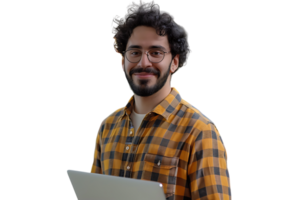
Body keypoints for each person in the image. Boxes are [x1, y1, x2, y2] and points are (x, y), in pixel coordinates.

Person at [90, 0, 233, 199]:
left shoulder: (200, 131)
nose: (144, 62)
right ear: (123, 61)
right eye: (135, 52)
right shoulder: (106, 127)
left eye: (156, 53)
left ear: (174, 62)